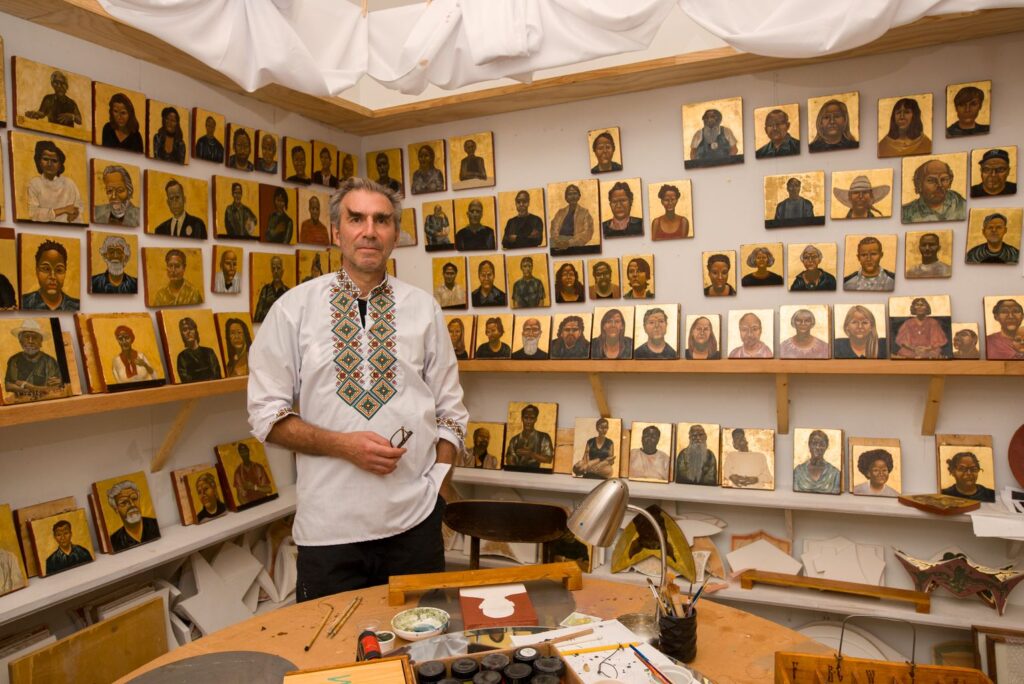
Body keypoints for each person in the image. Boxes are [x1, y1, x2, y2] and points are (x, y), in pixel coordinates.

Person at [247, 176, 467, 598]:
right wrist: (343, 445)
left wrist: (436, 485)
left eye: (382, 220)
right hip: (329, 531)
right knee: (338, 658)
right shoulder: (293, 310)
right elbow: (266, 416)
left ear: (395, 234)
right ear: (335, 232)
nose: (369, 230)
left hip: (414, 528)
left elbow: (451, 413)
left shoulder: (423, 309)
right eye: (356, 219)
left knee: (424, 651)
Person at [4, 319, 64, 402]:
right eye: (26, 337)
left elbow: (54, 387)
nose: (30, 341)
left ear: (41, 342)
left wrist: (26, 385)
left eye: (35, 337)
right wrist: (32, 389)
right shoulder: (14, 360)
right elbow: (8, 386)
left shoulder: (49, 361)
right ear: (20, 341)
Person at [27, 139, 83, 224]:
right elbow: (33, 214)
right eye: (45, 159)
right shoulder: (35, 184)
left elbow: (79, 207)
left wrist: (76, 212)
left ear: (60, 165)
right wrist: (64, 210)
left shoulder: (69, 183)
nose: (49, 164)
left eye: (54, 161)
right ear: (39, 161)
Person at [21, 239, 80, 311]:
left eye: (59, 270)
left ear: (65, 271)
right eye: (46, 269)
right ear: (37, 270)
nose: (52, 276)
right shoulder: (23, 303)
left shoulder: (76, 306)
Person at [901, 159, 967, 223]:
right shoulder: (906, 213)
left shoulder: (962, 205)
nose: (940, 185)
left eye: (944, 179)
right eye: (931, 180)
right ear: (919, 184)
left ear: (950, 182)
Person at [106, 480, 161, 551]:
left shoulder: (154, 525)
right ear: (116, 508)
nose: (132, 504)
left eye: (134, 498)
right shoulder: (114, 541)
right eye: (124, 502)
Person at [549, 184, 595, 255]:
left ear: (579, 196)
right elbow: (553, 228)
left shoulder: (585, 212)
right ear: (566, 197)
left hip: (576, 248)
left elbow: (588, 232)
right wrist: (557, 241)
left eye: (575, 193)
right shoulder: (560, 213)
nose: (573, 196)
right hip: (558, 247)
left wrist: (569, 243)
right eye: (570, 194)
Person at [505, 404, 553, 469]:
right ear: (522, 418)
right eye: (526, 418)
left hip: (537, 474)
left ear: (536, 419)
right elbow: (509, 459)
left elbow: (549, 459)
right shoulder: (514, 440)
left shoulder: (544, 437)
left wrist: (531, 454)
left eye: (532, 418)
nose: (528, 421)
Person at [176, 317, 223, 383]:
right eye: (185, 329)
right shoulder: (182, 357)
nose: (188, 332)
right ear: (182, 334)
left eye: (191, 328)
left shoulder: (209, 352)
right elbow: (185, 380)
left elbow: (217, 374)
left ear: (195, 331)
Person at [253, 255, 289, 322]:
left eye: (278, 268)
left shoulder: (287, 291)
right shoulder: (265, 290)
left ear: (282, 271)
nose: (276, 271)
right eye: (273, 268)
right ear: (271, 271)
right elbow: (258, 314)